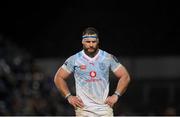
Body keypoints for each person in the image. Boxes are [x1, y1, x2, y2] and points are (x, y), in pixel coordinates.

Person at [54, 27, 131, 116]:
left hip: (104, 110)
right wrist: (69, 96)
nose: (91, 45)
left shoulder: (107, 57)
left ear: (98, 41)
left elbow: (125, 76)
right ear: (82, 41)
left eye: (93, 42)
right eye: (88, 42)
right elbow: (58, 77)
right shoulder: (74, 59)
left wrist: (116, 95)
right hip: (83, 111)